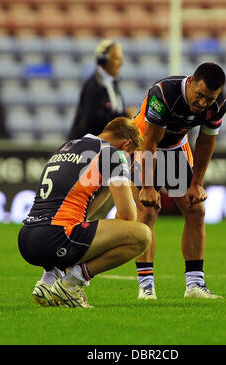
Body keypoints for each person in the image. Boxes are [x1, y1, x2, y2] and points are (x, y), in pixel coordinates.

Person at [18, 117, 151, 308]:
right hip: (55, 237)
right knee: (141, 235)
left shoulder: (69, 146)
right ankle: (71, 284)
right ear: (126, 144)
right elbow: (127, 217)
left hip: (27, 238)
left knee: (75, 224)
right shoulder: (114, 154)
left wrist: (106, 186)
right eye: (131, 156)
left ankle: (48, 281)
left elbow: (79, 208)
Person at [132, 62, 226, 300]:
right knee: (148, 211)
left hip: (175, 147)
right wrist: (147, 186)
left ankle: (195, 285)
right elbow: (151, 142)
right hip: (143, 146)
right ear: (192, 81)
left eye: (210, 99)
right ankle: (146, 286)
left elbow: (206, 141)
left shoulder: (220, 102)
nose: (203, 103)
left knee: (196, 210)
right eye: (200, 96)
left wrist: (197, 183)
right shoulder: (164, 94)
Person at [68, 39, 136, 140]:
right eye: (117, 59)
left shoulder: (112, 84)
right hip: (86, 148)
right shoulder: (93, 86)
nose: (121, 63)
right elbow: (92, 121)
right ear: (103, 60)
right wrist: (124, 116)